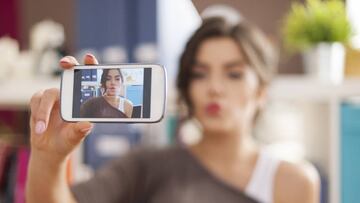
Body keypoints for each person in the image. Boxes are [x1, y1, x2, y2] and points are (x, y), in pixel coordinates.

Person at [26, 17, 320, 203]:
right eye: (199, 74)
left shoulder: (294, 182)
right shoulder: (145, 166)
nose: (214, 87)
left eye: (233, 74)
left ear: (261, 91)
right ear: (186, 88)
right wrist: (48, 158)